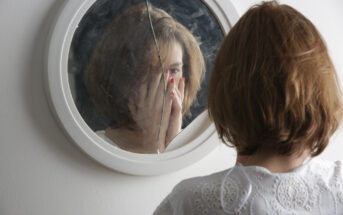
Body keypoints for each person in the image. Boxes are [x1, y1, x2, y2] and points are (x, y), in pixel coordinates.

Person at [153, 1, 343, 214]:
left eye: (174, 70)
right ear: (322, 91)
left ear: (225, 92)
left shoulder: (188, 202)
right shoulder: (337, 188)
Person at [85, 3, 205, 153]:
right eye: (150, 71)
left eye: (174, 70)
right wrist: (152, 144)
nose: (164, 85)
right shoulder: (95, 148)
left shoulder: (198, 148)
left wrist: (173, 146)